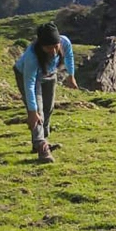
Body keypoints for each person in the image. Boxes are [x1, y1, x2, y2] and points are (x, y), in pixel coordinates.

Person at [13, 22, 77, 163]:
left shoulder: (64, 42)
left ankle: (43, 140)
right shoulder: (32, 56)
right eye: (48, 48)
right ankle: (41, 146)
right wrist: (32, 111)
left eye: (55, 47)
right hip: (29, 77)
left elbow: (69, 56)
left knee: (48, 108)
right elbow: (29, 85)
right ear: (41, 46)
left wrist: (71, 76)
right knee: (38, 112)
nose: (53, 51)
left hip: (49, 74)